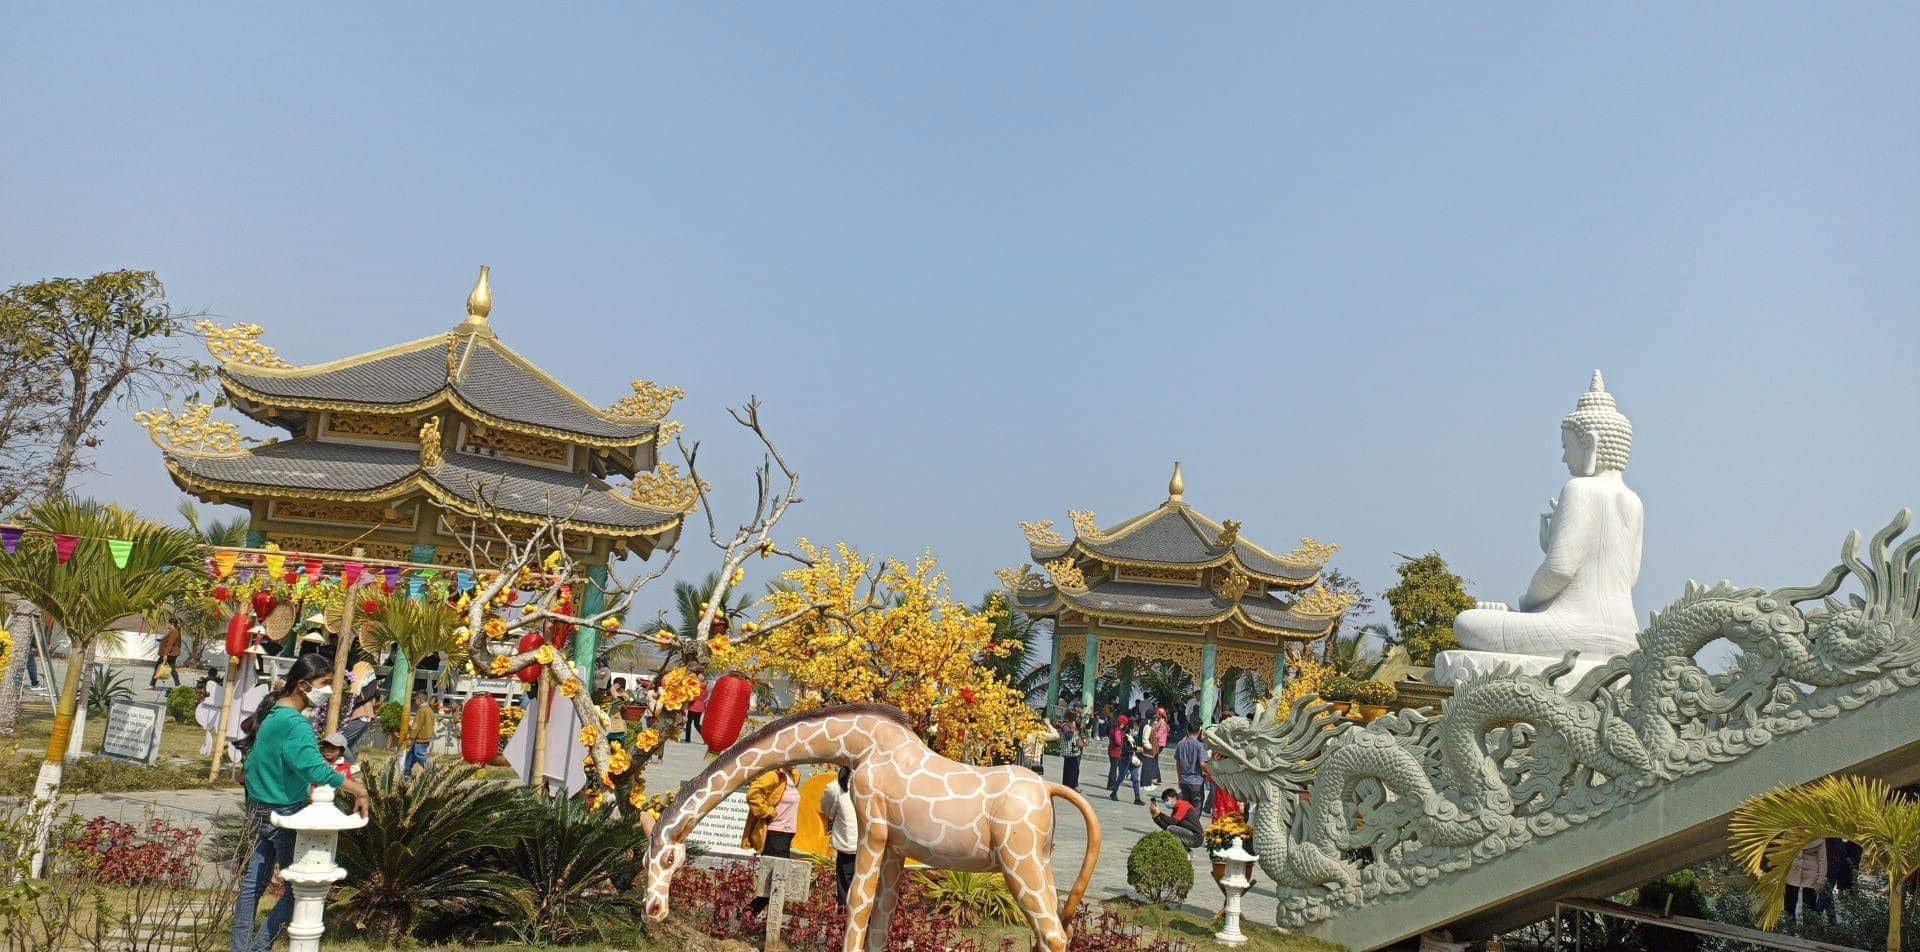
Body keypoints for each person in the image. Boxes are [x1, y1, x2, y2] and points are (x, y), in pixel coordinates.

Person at [231, 654, 370, 952]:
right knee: (300, 888)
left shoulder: (273, 714)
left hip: (260, 806)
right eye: (324, 684)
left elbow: (257, 762)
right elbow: (315, 769)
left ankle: (241, 947)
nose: (329, 691)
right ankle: (258, 948)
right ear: (303, 685)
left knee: (253, 884)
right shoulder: (296, 725)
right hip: (282, 811)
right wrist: (357, 788)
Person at [745, 766, 801, 915]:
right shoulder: (774, 775)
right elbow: (753, 793)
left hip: (786, 835)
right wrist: (768, 811)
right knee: (774, 883)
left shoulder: (793, 776)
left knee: (777, 883)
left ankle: (749, 916)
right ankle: (747, 914)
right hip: (775, 834)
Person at [819, 767, 858, 907]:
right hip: (867, 848)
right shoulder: (871, 785)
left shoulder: (835, 788)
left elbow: (826, 809)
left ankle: (842, 923)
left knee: (844, 891)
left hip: (847, 847)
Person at [1109, 716, 1142, 804]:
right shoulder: (1125, 736)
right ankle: (1114, 792)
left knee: (1135, 779)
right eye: (1135, 727)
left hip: (1134, 760)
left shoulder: (1133, 737)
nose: (1136, 729)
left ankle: (1137, 798)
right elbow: (1125, 749)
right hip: (1125, 759)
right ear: (1131, 728)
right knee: (1121, 777)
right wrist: (1136, 749)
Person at [403, 691, 435, 779]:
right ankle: (407, 774)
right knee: (410, 756)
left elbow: (416, 726)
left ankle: (432, 771)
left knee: (419, 755)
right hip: (426, 737)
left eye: (416, 699)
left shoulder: (421, 711)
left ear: (420, 700)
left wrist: (411, 737)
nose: (415, 701)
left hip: (421, 738)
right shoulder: (430, 710)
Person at [1175, 724, 1207, 807]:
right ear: (1199, 731)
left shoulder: (1180, 744)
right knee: (1196, 808)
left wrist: (1179, 779)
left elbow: (1178, 764)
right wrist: (1210, 773)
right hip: (1196, 782)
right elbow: (1202, 764)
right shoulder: (1200, 745)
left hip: (1184, 781)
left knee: (1185, 808)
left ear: (1187, 730)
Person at [1139, 708, 1169, 788]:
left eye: (1157, 714)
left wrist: (1151, 732)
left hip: (1159, 744)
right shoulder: (1160, 722)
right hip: (1157, 743)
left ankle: (1156, 779)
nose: (1156, 715)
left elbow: (1158, 735)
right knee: (1155, 761)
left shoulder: (1162, 723)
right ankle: (1156, 778)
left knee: (1154, 761)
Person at [1057, 710, 1085, 789]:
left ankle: (1070, 786)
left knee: (1073, 770)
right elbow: (1068, 737)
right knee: (1069, 771)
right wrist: (1072, 729)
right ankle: (1068, 787)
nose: (1076, 719)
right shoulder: (1065, 725)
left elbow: (1079, 733)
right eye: (1074, 717)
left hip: (1074, 752)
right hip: (1069, 752)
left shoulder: (1072, 724)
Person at [151, 622, 183, 689]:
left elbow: (170, 644)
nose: (167, 625)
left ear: (172, 624)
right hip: (171, 653)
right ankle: (178, 685)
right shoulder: (174, 631)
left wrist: (165, 655)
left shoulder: (174, 632)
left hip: (169, 654)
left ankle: (152, 685)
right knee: (172, 669)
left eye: (168, 624)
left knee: (158, 667)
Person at [684, 677, 708, 743]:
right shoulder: (706, 690)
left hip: (693, 707)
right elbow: (705, 698)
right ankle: (705, 738)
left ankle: (687, 739)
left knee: (689, 723)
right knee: (697, 724)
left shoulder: (697, 688)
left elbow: (692, 697)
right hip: (700, 708)